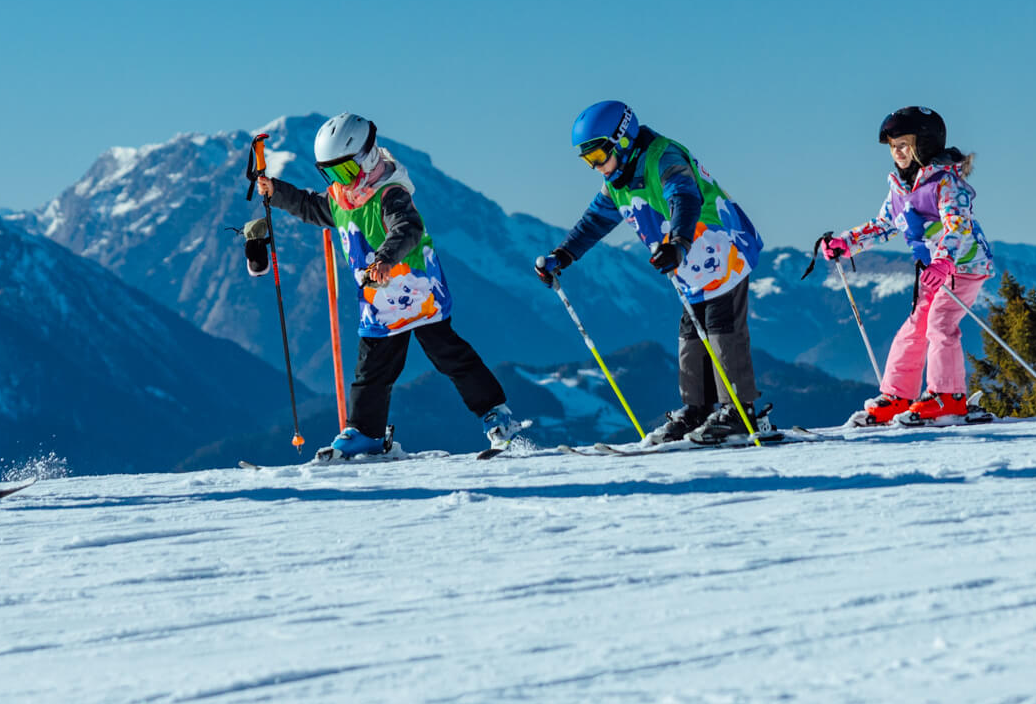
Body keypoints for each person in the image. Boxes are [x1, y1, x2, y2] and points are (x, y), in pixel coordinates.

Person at [256, 113, 521, 457]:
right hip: (380, 305)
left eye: (345, 172)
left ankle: (496, 415)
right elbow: (311, 206)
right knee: (372, 370)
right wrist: (277, 192)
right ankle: (365, 433)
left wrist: (384, 258)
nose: (341, 182)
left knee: (450, 355)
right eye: (331, 174)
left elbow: (407, 228)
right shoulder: (341, 199)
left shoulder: (390, 193)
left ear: (367, 158)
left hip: (419, 294)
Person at [534, 101, 767, 445]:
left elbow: (684, 199)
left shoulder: (664, 158)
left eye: (598, 156)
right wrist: (563, 255)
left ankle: (739, 413)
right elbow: (595, 221)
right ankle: (697, 410)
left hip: (721, 248)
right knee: (691, 334)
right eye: (587, 161)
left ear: (622, 140)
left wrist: (677, 243)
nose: (595, 167)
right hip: (689, 262)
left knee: (721, 328)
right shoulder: (617, 180)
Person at [820, 106, 995, 426]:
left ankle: (948, 397)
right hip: (933, 271)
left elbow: (958, 226)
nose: (897, 152)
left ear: (924, 144)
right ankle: (898, 396)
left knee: (940, 323)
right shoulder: (900, 189)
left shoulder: (946, 184)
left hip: (963, 266)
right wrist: (846, 243)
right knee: (914, 329)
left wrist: (944, 260)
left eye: (903, 145)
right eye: (893, 147)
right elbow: (884, 225)